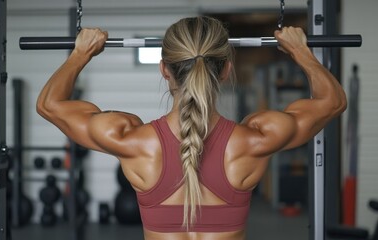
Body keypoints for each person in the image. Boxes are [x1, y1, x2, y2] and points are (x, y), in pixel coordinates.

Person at [37, 16, 346, 240]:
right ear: (226, 70)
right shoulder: (256, 139)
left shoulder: (130, 139)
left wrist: (80, 54)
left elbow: (49, 105)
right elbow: (332, 102)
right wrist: (302, 52)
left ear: (164, 70)